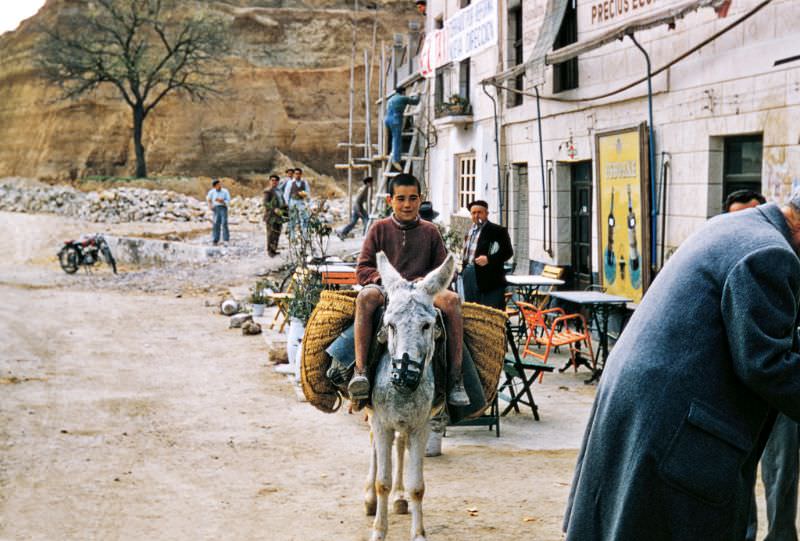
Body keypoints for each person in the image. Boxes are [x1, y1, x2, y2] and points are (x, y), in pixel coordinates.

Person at [563, 189, 800, 540]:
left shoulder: (734, 227)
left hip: (643, 413)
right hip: (675, 432)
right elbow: (768, 364)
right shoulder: (770, 253)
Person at [346, 173, 469, 406]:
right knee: (365, 297)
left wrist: (427, 281)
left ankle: (455, 378)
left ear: (420, 200)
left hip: (424, 294)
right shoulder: (378, 229)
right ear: (390, 200)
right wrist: (386, 281)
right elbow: (363, 269)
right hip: (389, 291)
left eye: (413, 198)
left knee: (452, 300)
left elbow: (446, 270)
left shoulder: (430, 231)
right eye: (401, 198)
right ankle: (360, 372)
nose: (407, 204)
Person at [729, 191, 800, 541]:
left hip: (788, 376)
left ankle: (782, 534)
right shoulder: (768, 252)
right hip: (763, 377)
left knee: (781, 467)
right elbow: (759, 360)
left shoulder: (780, 250)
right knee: (741, 466)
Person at [460, 200, 513, 310]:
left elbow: (508, 252)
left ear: (486, 214)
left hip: (489, 280)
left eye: (479, 212)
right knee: (472, 312)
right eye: (473, 213)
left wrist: (489, 259)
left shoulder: (497, 230)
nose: (476, 215)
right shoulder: (470, 231)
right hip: (469, 276)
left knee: (489, 314)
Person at [385, 87, 420, 170]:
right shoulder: (402, 98)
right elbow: (415, 102)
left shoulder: (390, 99)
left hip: (388, 119)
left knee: (394, 138)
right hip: (395, 119)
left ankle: (393, 153)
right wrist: (418, 95)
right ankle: (396, 159)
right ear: (403, 92)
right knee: (397, 139)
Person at [263, 174, 287, 257]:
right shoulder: (268, 191)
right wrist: (274, 209)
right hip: (271, 216)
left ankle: (274, 249)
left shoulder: (279, 191)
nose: (274, 182)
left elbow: (282, 202)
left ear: (278, 182)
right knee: (271, 233)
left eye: (275, 180)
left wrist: (286, 209)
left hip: (279, 216)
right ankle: (270, 251)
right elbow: (265, 203)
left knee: (277, 232)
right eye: (272, 180)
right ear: (270, 181)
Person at [283, 168, 311, 237]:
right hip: (292, 202)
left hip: (301, 202)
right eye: (296, 174)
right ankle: (292, 236)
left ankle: (304, 235)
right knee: (292, 219)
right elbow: (286, 193)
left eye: (299, 174)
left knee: (305, 218)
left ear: (301, 174)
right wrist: (286, 203)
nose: (297, 175)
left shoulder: (304, 182)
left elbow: (308, 192)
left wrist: (307, 199)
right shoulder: (290, 182)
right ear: (294, 174)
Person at [206, 178, 230, 245]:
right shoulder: (212, 192)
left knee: (224, 223)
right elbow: (208, 199)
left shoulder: (225, 191)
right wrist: (210, 205)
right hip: (215, 208)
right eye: (217, 185)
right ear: (214, 186)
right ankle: (215, 240)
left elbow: (228, 201)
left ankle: (226, 240)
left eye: (219, 184)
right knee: (216, 224)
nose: (219, 186)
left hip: (223, 207)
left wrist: (222, 201)